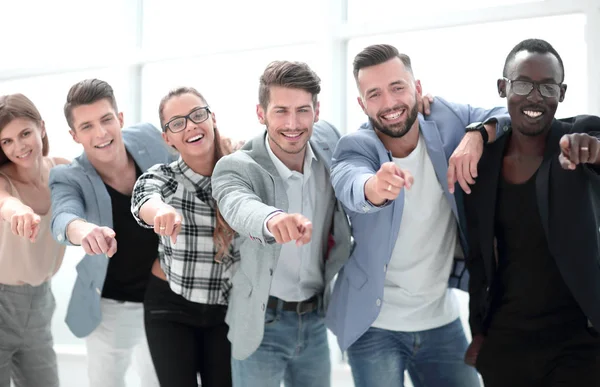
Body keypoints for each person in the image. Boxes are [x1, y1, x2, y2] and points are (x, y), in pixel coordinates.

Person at [327, 43, 510, 387]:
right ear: (362, 104)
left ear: (418, 89)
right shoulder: (355, 147)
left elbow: (507, 113)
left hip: (442, 318)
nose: (389, 103)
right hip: (375, 325)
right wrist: (376, 188)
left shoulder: (447, 120)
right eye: (375, 94)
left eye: (398, 87)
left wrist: (476, 134)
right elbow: (351, 183)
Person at [463, 38, 600, 387]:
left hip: (579, 342)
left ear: (562, 93)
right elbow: (478, 257)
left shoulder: (579, 137)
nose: (534, 96)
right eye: (522, 84)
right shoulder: (485, 164)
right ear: (502, 87)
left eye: (547, 86)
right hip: (508, 341)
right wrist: (479, 331)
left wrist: (594, 151)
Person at [211, 60, 353, 387]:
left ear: (317, 111)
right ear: (261, 114)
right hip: (261, 324)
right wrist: (273, 219)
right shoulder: (237, 166)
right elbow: (238, 204)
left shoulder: (329, 142)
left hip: (315, 321)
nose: (293, 123)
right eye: (280, 111)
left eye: (303, 110)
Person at [49, 79, 171, 387]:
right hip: (111, 304)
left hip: (165, 295)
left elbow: (191, 159)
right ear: (74, 135)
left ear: (120, 118)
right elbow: (63, 217)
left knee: (163, 378)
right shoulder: (69, 176)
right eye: (87, 126)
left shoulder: (149, 138)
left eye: (106, 119)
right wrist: (84, 230)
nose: (101, 133)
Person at [131, 86, 239, 387]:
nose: (190, 125)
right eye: (177, 123)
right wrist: (160, 212)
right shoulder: (164, 176)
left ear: (212, 118)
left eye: (197, 115)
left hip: (224, 307)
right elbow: (144, 198)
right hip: (170, 306)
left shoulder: (240, 166)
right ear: (168, 138)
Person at [0, 94, 68, 387]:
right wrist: (20, 211)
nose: (19, 146)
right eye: (7, 141)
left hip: (40, 304)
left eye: (25, 133)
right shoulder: (3, 180)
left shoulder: (64, 171)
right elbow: (6, 203)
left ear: (41, 127)